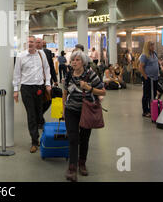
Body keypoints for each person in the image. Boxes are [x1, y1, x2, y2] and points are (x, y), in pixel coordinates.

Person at [62, 50, 105, 182]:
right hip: (71, 111)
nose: (74, 62)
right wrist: (64, 109)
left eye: (77, 60)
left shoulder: (90, 75)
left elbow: (103, 91)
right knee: (73, 138)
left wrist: (88, 87)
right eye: (72, 60)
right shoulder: (69, 75)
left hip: (86, 111)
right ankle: (72, 168)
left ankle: (82, 163)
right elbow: (64, 92)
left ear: (83, 62)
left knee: (84, 139)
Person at [13, 36, 52, 153]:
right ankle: (35, 141)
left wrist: (48, 84)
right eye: (28, 42)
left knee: (39, 114)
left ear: (36, 44)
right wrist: (16, 90)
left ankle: (40, 134)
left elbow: (46, 68)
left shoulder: (41, 54)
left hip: (39, 88)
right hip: (26, 88)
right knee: (31, 115)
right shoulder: (20, 56)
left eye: (32, 42)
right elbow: (17, 74)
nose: (30, 43)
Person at [139, 41, 159, 118]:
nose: (153, 47)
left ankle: (152, 109)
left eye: (153, 45)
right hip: (148, 78)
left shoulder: (154, 54)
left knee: (153, 94)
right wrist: (145, 77)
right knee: (146, 95)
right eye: (151, 45)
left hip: (155, 78)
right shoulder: (144, 55)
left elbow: (157, 64)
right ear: (148, 46)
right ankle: (145, 111)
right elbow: (141, 67)